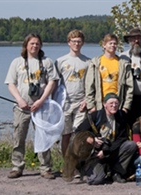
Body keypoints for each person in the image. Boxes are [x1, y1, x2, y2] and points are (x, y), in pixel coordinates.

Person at [5, 33, 59, 179]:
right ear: (26, 45)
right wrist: (20, 100)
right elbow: (11, 84)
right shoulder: (17, 62)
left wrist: (41, 100)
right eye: (32, 43)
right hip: (21, 107)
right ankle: (17, 166)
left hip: (41, 107)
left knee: (43, 138)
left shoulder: (47, 62)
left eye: (37, 43)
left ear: (40, 45)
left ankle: (46, 168)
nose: (34, 46)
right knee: (19, 137)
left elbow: (52, 82)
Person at [75, 93, 137, 185]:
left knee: (131, 145)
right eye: (111, 103)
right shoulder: (96, 116)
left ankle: (116, 173)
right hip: (96, 153)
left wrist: (107, 151)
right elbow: (78, 132)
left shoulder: (121, 115)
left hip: (112, 150)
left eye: (116, 103)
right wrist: (92, 140)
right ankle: (86, 169)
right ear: (104, 104)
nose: (114, 105)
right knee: (96, 180)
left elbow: (122, 138)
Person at [54, 29, 90, 158]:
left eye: (79, 41)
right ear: (69, 42)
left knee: (78, 135)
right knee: (66, 135)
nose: (76, 44)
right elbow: (54, 84)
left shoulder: (87, 62)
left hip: (81, 103)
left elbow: (90, 84)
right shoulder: (60, 61)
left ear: (82, 43)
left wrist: (87, 99)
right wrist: (53, 103)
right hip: (65, 103)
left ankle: (77, 162)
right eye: (74, 41)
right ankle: (67, 163)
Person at [85, 33, 133, 114]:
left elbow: (130, 87)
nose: (113, 45)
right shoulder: (95, 62)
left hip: (117, 104)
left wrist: (126, 107)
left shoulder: (123, 64)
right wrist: (91, 106)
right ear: (104, 45)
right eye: (110, 43)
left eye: (115, 43)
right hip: (100, 104)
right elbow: (89, 85)